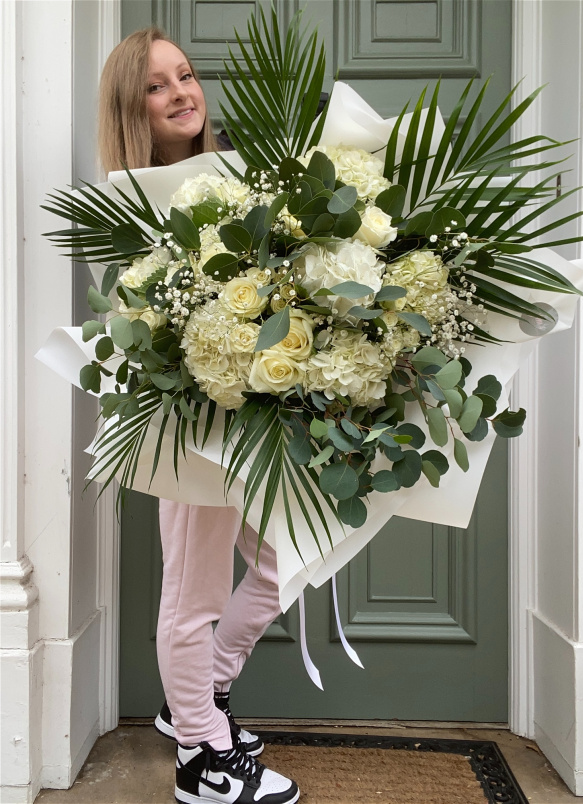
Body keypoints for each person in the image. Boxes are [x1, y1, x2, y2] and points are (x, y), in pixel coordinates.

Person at [98, 27, 299, 804]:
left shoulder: (240, 178)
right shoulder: (127, 204)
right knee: (193, 592)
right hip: (184, 424)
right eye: (157, 85)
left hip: (250, 418)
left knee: (286, 562)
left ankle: (196, 701)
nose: (182, 92)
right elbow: (136, 323)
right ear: (131, 105)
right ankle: (201, 762)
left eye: (185, 75)